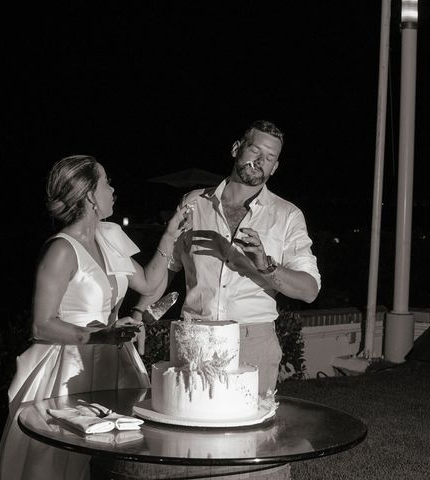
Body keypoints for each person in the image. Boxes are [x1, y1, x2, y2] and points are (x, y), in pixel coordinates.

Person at [0, 154, 192, 480]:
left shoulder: (109, 236)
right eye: (106, 182)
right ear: (89, 195)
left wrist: (170, 235)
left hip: (114, 362)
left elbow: (150, 284)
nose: (113, 189)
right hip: (69, 368)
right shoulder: (60, 250)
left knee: (115, 455)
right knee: (62, 458)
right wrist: (100, 336)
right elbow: (41, 325)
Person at [131, 119, 321, 398]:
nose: (260, 161)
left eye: (269, 158)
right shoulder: (194, 203)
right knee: (190, 427)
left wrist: (264, 265)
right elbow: (167, 269)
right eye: (255, 151)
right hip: (193, 338)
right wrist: (139, 314)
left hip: (253, 341)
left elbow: (309, 291)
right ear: (236, 149)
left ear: (275, 167)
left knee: (251, 436)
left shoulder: (287, 215)